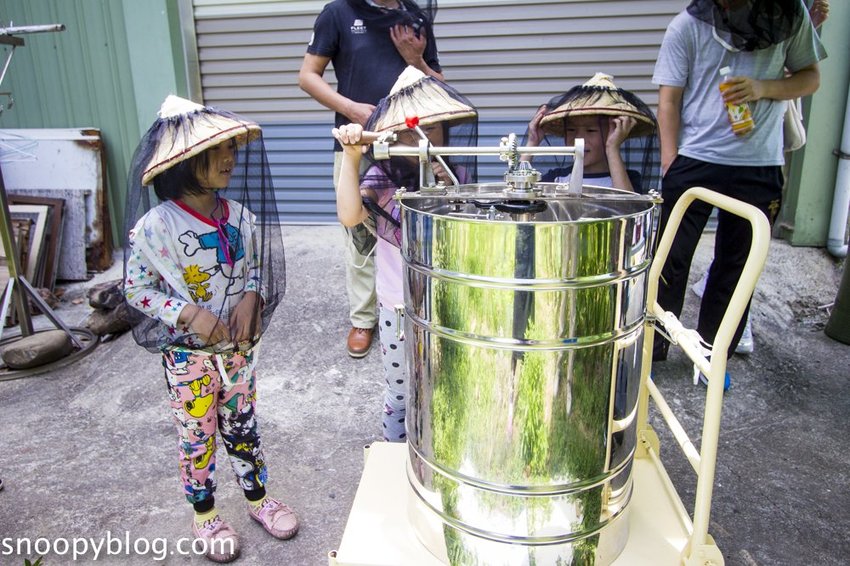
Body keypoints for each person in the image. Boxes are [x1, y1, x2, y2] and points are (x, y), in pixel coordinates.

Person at [123, 95, 295, 562]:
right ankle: (205, 514)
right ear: (179, 163)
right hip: (188, 357)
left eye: (231, 149)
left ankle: (259, 499)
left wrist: (252, 296)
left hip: (237, 351)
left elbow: (256, 267)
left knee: (243, 424)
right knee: (196, 433)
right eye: (212, 153)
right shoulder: (155, 228)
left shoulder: (240, 217)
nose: (228, 159)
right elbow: (136, 291)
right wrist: (189, 313)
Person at [651, 0, 826, 387]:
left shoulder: (789, 15)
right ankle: (653, 346)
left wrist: (764, 87)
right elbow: (669, 99)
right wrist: (670, 161)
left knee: (737, 264)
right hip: (695, 158)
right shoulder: (686, 25)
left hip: (759, 163)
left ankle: (712, 356)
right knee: (669, 260)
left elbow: (810, 78)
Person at [332, 66, 477, 440]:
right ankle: (396, 461)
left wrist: (451, 187)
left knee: (451, 392)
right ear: (392, 135)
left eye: (431, 129)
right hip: (398, 307)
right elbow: (350, 215)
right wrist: (351, 157)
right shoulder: (382, 178)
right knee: (400, 395)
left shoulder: (458, 173)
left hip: (451, 308)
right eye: (411, 132)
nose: (422, 139)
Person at [298, 0, 443, 358]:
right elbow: (307, 76)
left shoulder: (416, 18)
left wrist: (417, 61)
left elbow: (442, 91)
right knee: (359, 231)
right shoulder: (339, 13)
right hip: (357, 142)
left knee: (414, 230)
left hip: (411, 144)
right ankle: (364, 318)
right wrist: (350, 109)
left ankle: (416, 305)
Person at [523, 73, 658, 193]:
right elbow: (516, 194)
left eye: (591, 130)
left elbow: (629, 209)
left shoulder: (626, 178)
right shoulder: (556, 178)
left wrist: (612, 148)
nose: (579, 139)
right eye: (571, 130)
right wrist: (532, 142)